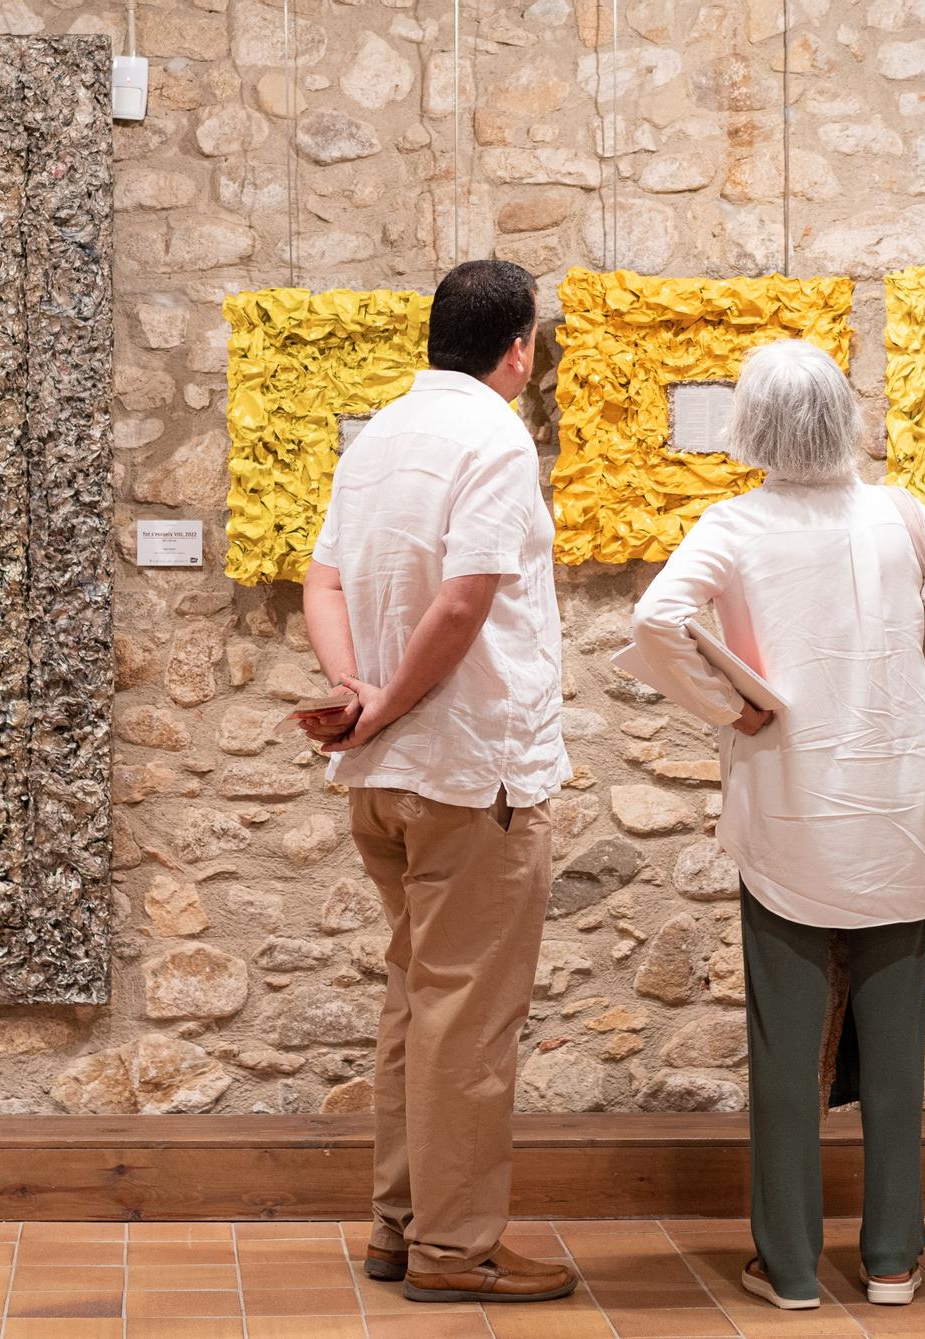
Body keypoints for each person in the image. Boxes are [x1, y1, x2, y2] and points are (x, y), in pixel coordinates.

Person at [631, 340, 925, 1311]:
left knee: (786, 1048)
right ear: (842, 414)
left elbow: (656, 620)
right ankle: (892, 1257)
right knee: (896, 1043)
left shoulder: (732, 526)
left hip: (789, 805)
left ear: (752, 425)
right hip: (898, 803)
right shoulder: (902, 516)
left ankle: (786, 1266)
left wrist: (726, 707)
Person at [295, 259, 574, 1305]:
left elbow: (321, 579)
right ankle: (456, 1250)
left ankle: (397, 1225)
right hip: (468, 776)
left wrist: (354, 693)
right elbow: (461, 607)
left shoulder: (382, 438)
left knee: (417, 1002)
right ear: (518, 347)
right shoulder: (493, 437)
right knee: (468, 1021)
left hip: (378, 774)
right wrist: (396, 702)